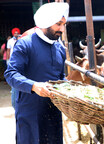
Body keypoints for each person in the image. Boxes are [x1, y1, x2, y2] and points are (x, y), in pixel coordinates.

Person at [4, 2, 69, 144]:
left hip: (53, 110)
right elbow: (11, 74)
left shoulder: (60, 48)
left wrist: (69, 86)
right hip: (30, 110)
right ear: (47, 22)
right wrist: (34, 86)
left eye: (64, 24)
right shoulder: (25, 44)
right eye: (58, 24)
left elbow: (60, 77)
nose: (62, 29)